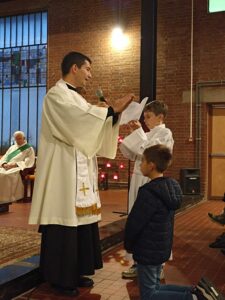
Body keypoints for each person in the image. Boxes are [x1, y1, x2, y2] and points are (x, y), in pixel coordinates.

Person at [28, 51, 134, 297]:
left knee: (80, 223)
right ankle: (59, 279)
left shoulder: (77, 98)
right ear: (74, 68)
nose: (90, 75)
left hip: (79, 171)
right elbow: (76, 122)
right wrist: (108, 111)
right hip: (63, 174)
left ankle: (75, 271)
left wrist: (112, 114)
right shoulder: (56, 95)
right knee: (64, 222)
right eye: (87, 69)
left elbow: (88, 122)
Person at [124, 144, 220, 300]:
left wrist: (128, 244)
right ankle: (195, 292)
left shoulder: (148, 192)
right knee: (155, 287)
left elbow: (135, 223)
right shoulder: (171, 187)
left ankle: (194, 298)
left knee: (149, 294)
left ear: (151, 165)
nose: (140, 165)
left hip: (147, 250)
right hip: (160, 247)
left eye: (143, 161)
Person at [119, 100, 174, 278]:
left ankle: (156, 264)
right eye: (144, 117)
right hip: (137, 179)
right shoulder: (148, 133)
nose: (145, 120)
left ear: (160, 117)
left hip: (151, 182)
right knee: (136, 220)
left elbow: (152, 154)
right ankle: (137, 261)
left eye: (148, 117)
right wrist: (133, 136)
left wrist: (138, 134)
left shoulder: (166, 133)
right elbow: (131, 154)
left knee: (150, 222)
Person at [0, 131, 35, 202]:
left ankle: (9, 197)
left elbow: (28, 161)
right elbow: (5, 157)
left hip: (18, 167)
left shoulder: (28, 148)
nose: (18, 140)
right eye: (16, 139)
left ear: (24, 138)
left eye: (19, 138)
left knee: (6, 175)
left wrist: (16, 164)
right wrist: (4, 164)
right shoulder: (12, 147)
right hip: (7, 166)